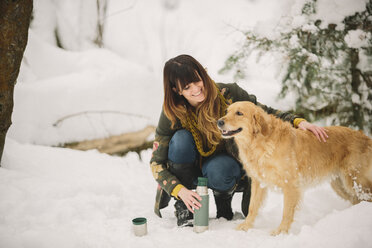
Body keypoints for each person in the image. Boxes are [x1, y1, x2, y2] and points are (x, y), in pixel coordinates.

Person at [150, 54, 328, 227]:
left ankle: (223, 201)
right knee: (180, 139)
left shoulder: (228, 94)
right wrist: (180, 191)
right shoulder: (172, 113)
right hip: (188, 170)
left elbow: (264, 113)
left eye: (197, 81)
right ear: (176, 90)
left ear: (202, 74)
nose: (196, 89)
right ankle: (184, 207)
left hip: (224, 165)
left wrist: (299, 122)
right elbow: (156, 162)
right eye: (187, 87)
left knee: (221, 168)